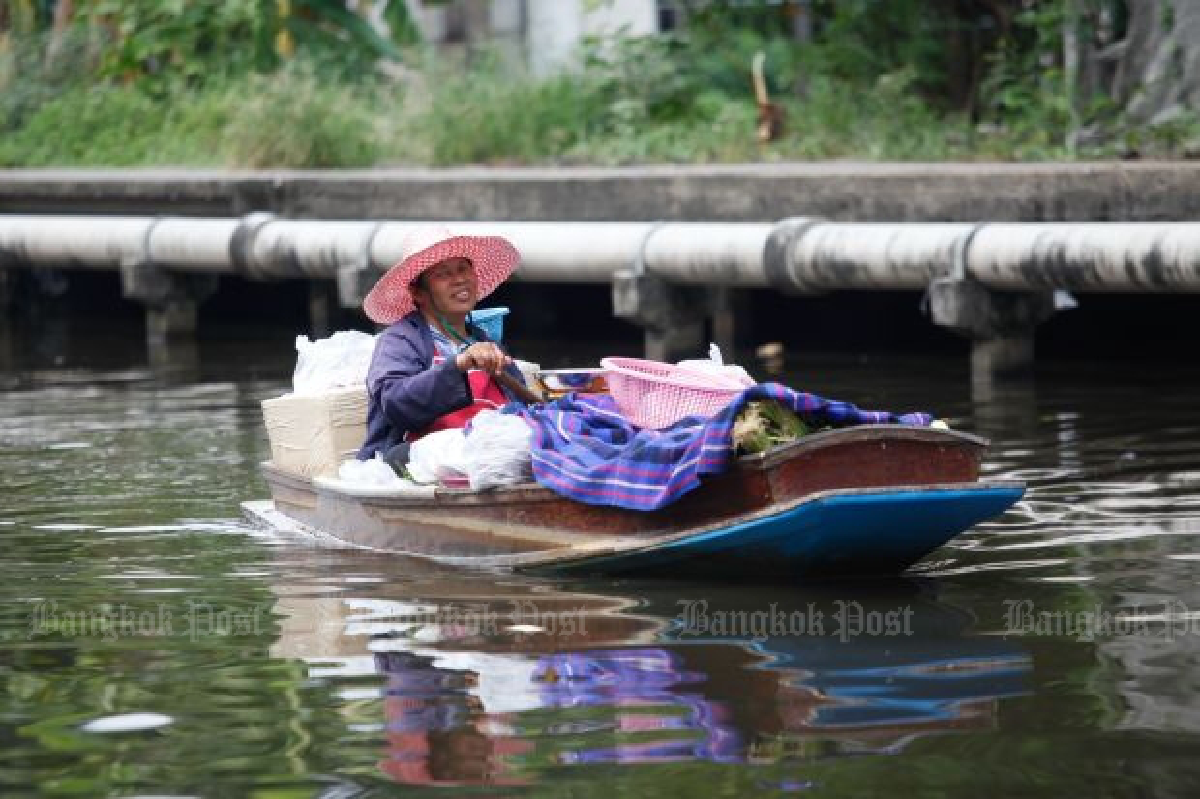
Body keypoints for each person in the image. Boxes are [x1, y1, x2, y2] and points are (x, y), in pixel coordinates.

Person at [357, 226, 528, 468]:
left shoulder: (486, 342)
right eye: (443, 274)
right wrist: (459, 364)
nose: (459, 279)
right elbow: (395, 402)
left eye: (463, 269)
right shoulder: (400, 340)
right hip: (424, 461)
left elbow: (521, 405)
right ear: (418, 293)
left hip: (490, 455)